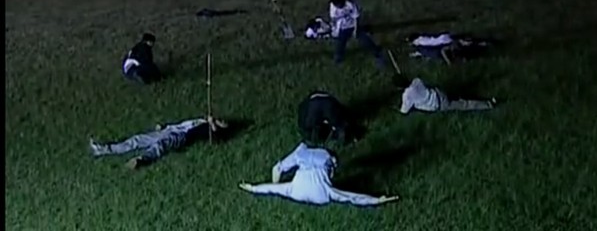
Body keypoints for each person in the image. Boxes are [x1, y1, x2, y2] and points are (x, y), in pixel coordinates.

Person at [238, 142, 399, 206]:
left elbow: (271, 188)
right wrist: (377, 200)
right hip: (314, 176)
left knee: (306, 154)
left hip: (309, 179)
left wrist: (253, 188)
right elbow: (352, 197)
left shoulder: (294, 189)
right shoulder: (324, 191)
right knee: (317, 156)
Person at [89, 116, 229, 169]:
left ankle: (141, 160)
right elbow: (182, 123)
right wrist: (164, 126)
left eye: (223, 123)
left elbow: (215, 139)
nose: (221, 120)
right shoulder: (202, 120)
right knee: (137, 140)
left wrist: (212, 124)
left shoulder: (208, 130)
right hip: (169, 130)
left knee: (161, 146)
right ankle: (104, 149)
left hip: (182, 137)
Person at [329, 0, 384, 67]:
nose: (338, 7)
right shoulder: (333, 6)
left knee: (365, 40)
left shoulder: (350, 5)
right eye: (337, 5)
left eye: (339, 5)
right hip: (342, 28)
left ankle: (378, 54)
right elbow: (333, 19)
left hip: (353, 26)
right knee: (340, 43)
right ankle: (338, 59)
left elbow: (356, 17)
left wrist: (355, 30)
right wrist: (334, 29)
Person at [400, 77, 497, 114]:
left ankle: (488, 104)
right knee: (461, 96)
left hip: (438, 104)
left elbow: (404, 111)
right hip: (439, 93)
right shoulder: (416, 80)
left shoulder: (407, 95)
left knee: (464, 105)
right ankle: (484, 100)